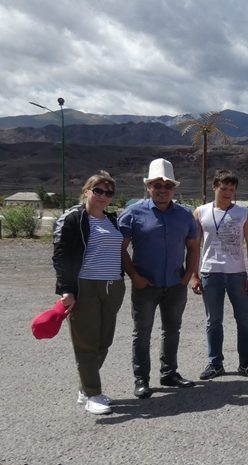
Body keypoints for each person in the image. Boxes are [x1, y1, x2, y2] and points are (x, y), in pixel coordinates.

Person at [119, 158, 199, 398]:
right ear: (148, 187)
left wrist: (187, 275)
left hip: (175, 284)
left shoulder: (184, 215)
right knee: (141, 332)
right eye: (157, 185)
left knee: (172, 329)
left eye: (167, 186)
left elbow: (193, 247)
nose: (162, 190)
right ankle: (141, 379)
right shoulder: (132, 213)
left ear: (173, 188)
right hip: (146, 285)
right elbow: (121, 248)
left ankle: (169, 373)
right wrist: (134, 276)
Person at [53, 171, 124, 415]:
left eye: (108, 192)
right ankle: (93, 393)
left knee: (104, 340)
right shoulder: (73, 218)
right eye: (98, 191)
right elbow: (61, 255)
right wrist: (66, 289)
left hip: (112, 286)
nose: (103, 196)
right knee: (86, 342)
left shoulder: (112, 220)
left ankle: (85, 387)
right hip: (85, 286)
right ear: (87, 191)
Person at [192, 170, 248, 381]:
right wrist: (194, 275)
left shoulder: (243, 213)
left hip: (238, 274)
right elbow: (194, 246)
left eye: (232, 189)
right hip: (210, 273)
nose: (228, 193)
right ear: (214, 187)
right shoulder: (200, 212)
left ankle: (246, 363)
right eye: (224, 188)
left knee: (245, 321)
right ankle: (215, 363)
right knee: (213, 321)